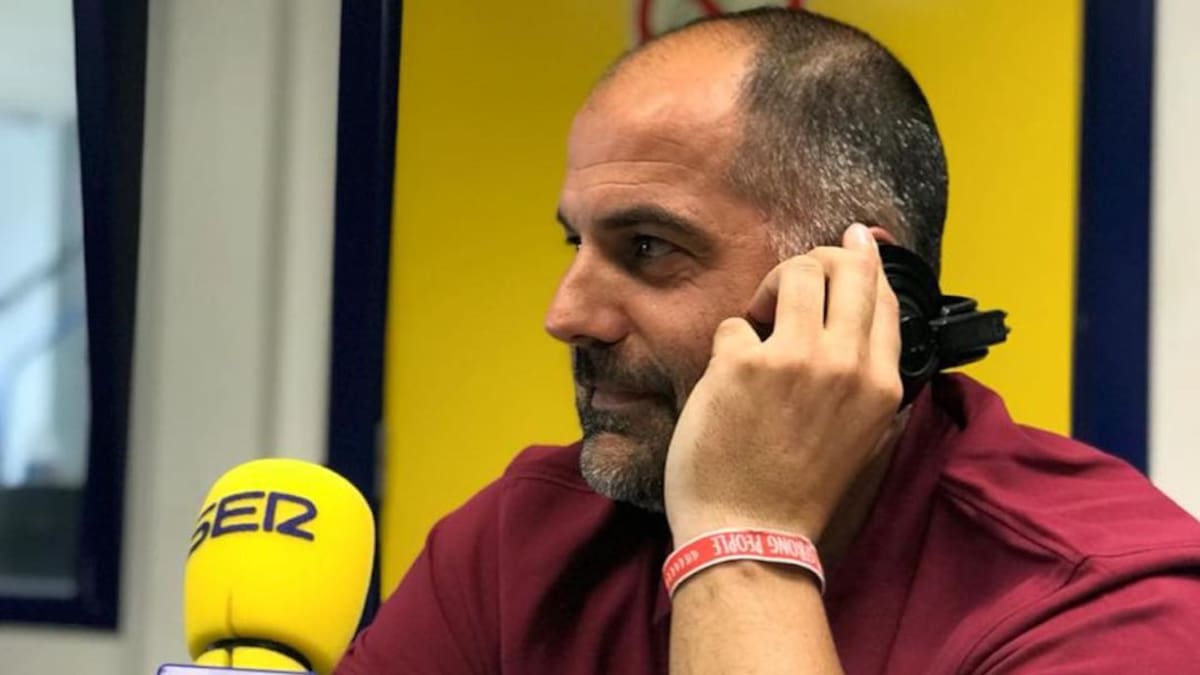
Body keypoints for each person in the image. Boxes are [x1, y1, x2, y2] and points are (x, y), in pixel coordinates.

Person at [335, 8, 1200, 674]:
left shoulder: (1101, 597)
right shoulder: (521, 545)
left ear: (859, 290)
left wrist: (742, 534)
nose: (568, 315)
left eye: (648, 247)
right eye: (577, 243)